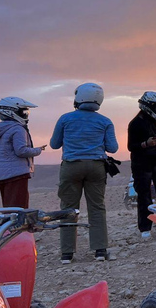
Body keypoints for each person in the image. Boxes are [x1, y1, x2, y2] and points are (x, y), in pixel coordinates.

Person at [50, 83, 118, 263]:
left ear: (78, 97)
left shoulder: (65, 119)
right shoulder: (105, 121)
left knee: (68, 208)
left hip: (71, 166)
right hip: (96, 167)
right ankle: (100, 251)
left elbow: (54, 144)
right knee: (97, 207)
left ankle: (67, 253)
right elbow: (113, 148)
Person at [128, 91, 156, 239]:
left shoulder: (152, 122)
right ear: (150, 106)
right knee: (144, 195)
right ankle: (145, 228)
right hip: (142, 163)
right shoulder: (135, 123)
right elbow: (131, 146)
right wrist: (145, 144)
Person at [0, 97, 46, 208]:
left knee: (8, 206)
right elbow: (21, 151)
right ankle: (18, 226)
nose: (25, 115)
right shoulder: (17, 129)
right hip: (16, 173)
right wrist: (38, 150)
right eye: (23, 112)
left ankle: (8, 225)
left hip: (1, 174)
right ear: (12, 112)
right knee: (18, 209)